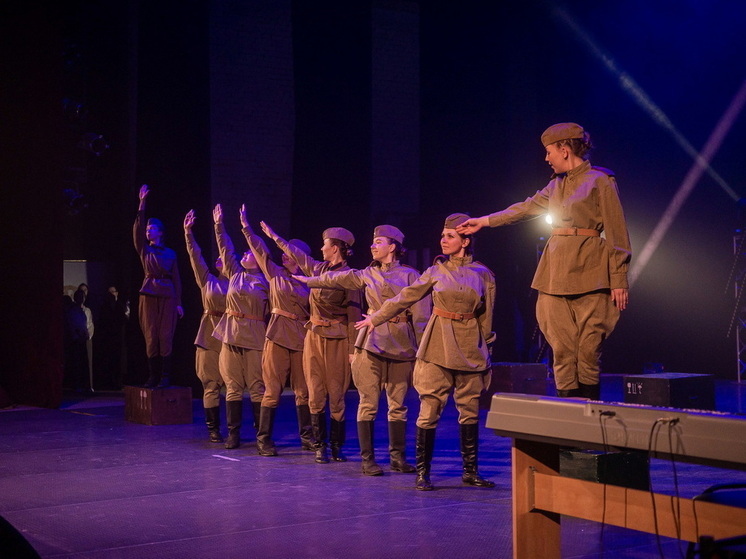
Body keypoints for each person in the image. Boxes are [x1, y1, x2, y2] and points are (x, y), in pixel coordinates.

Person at [457, 123, 631, 400]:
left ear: (564, 149)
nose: (546, 158)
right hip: (554, 274)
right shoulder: (555, 185)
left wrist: (618, 278)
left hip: (591, 272)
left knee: (587, 351)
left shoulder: (600, 181)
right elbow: (525, 208)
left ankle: (588, 417)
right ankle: (567, 419)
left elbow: (617, 231)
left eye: (549, 151)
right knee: (561, 350)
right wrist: (485, 221)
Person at [356, 214, 496, 491]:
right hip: (438, 344)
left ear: (465, 241)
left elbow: (486, 317)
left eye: (450, 236)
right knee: (429, 408)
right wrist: (376, 318)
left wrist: (486, 349)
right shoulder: (435, 271)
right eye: (442, 235)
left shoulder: (483, 274)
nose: (443, 240)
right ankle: (423, 472)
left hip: (470, 347)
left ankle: (470, 472)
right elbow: (403, 298)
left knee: (469, 410)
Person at [295, 225, 431, 476]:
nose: (373, 246)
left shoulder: (411, 276)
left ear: (393, 246)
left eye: (379, 242)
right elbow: (336, 279)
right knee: (368, 402)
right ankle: (368, 459)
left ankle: (397, 458)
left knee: (398, 404)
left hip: (401, 344)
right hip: (371, 342)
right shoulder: (368, 273)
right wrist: (310, 281)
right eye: (373, 241)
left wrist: (422, 351)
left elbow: (422, 317)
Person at [261, 221, 362, 464]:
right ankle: (320, 445)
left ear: (335, 248)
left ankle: (336, 446)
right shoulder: (317, 269)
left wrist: (353, 350)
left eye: (325, 245)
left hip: (338, 339)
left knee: (336, 394)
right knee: (314, 392)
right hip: (313, 336)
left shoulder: (349, 277)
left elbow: (354, 316)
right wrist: (274, 236)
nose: (321, 248)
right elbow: (296, 253)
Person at [239, 205, 313, 456]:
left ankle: (307, 437)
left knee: (303, 391)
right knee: (272, 390)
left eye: (288, 254)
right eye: (283, 253)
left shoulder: (311, 281)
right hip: (278, 335)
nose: (283, 257)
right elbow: (260, 250)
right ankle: (264, 439)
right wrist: (247, 228)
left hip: (302, 338)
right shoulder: (275, 274)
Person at [212, 204, 269, 450]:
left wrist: (247, 227)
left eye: (249, 253)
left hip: (255, 337)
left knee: (257, 387)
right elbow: (226, 249)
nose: (245, 255)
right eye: (244, 253)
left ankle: (261, 437)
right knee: (233, 387)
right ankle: (233, 434)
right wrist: (219, 225)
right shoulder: (235, 274)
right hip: (230, 333)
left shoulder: (267, 281)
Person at [184, 209, 229, 443]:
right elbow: (196, 257)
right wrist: (188, 233)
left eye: (224, 256)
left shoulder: (238, 283)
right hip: (209, 335)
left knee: (234, 386)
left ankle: (236, 428)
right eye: (217, 257)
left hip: (231, 336)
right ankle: (213, 429)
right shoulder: (208, 280)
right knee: (210, 383)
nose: (218, 258)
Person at [133, 184, 183, 388]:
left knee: (166, 335)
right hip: (148, 293)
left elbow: (177, 279)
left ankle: (165, 376)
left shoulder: (171, 253)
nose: (148, 231)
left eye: (151, 228)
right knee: (151, 335)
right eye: (147, 229)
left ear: (160, 232)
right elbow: (137, 231)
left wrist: (179, 302)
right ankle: (153, 376)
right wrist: (142, 204)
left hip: (168, 295)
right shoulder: (145, 250)